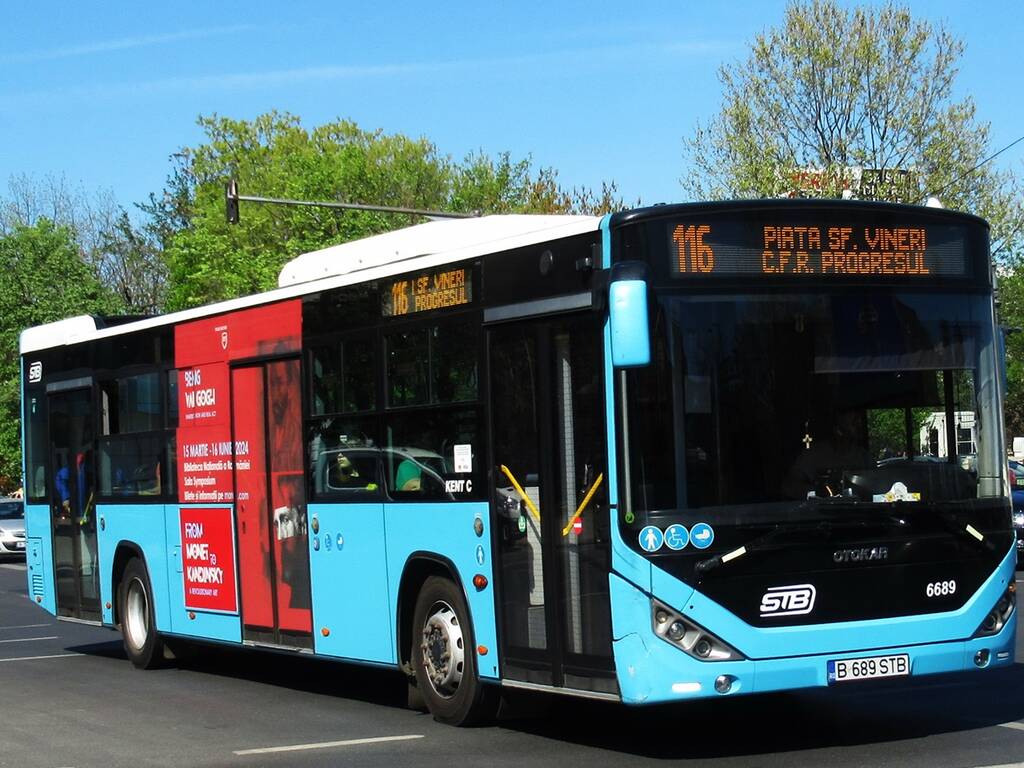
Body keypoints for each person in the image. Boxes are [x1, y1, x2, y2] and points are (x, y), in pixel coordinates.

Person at [783, 411, 872, 499]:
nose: (859, 427)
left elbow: (875, 487)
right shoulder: (815, 454)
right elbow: (789, 486)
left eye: (859, 423)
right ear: (838, 428)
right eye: (854, 422)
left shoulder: (864, 457)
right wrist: (817, 492)